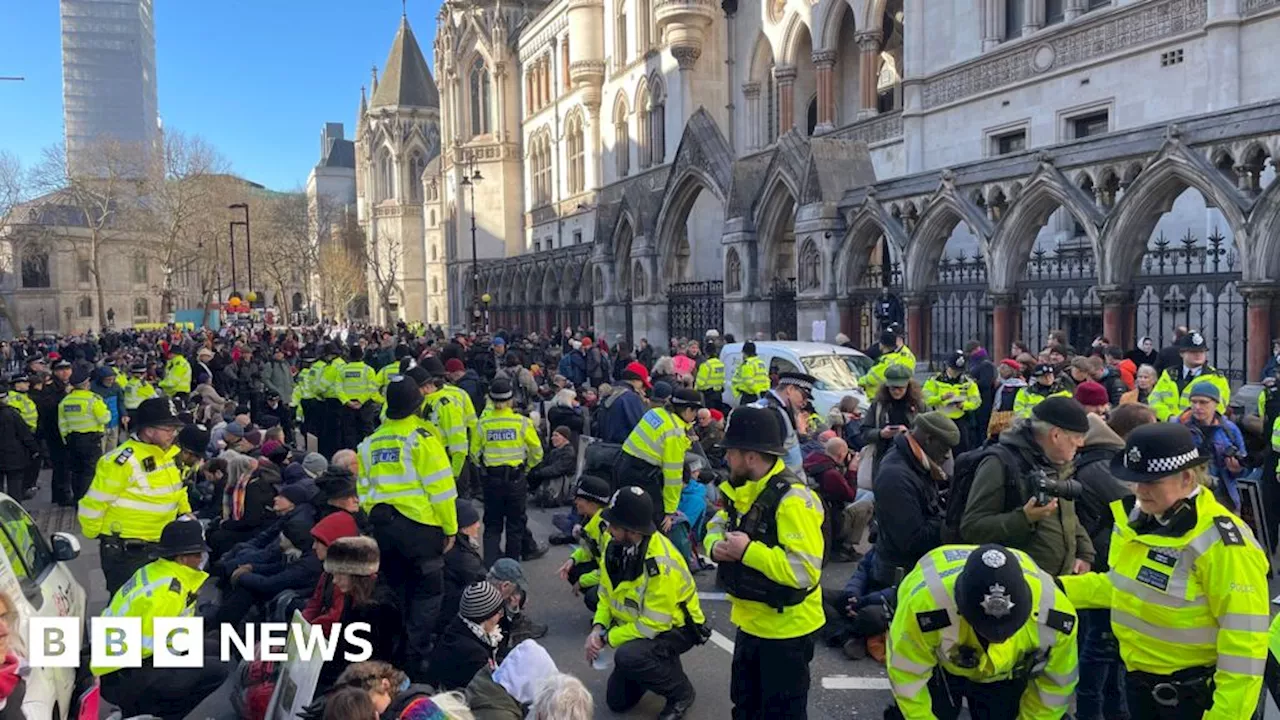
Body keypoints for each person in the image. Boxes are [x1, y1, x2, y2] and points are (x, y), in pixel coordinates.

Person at [1060, 423, 1268, 720]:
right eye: (1134, 480)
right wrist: (1055, 589)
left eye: (1150, 481)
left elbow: (1245, 645)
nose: (1138, 490)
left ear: (1186, 478)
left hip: (1196, 699)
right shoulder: (1139, 518)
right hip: (1140, 686)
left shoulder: (1222, 541)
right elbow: (1123, 586)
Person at [704, 406, 824, 719]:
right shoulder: (742, 487)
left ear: (751, 456)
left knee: (782, 714)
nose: (726, 458)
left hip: (786, 632)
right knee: (745, 708)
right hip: (751, 622)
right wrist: (714, 546)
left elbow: (803, 571)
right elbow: (719, 521)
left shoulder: (793, 500)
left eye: (730, 452)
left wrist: (747, 552)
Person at [885, 544, 1079, 720]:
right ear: (960, 607)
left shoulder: (1057, 617)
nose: (999, 640)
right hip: (941, 666)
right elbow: (907, 677)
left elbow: (1054, 689)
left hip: (1006, 674)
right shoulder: (924, 609)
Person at [357, 374, 458, 678]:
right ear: (418, 404)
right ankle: (414, 668)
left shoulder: (370, 442)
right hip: (421, 532)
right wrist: (450, 528)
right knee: (427, 598)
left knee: (398, 595)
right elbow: (441, 491)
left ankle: (393, 664)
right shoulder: (422, 438)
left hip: (385, 532)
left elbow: (363, 490)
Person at [586, 486, 703, 720]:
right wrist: (598, 627)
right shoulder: (615, 545)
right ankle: (656, 664)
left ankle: (681, 693)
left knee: (629, 657)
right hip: (641, 625)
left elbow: (652, 625)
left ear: (631, 530)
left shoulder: (660, 564)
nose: (608, 531)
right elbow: (606, 594)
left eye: (614, 526)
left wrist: (607, 638)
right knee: (617, 702)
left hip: (677, 629)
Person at [93, 520, 229, 720]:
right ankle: (155, 714)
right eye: (197, 554)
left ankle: (142, 709)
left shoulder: (155, 570)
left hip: (122, 661)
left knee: (215, 646)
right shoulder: (168, 593)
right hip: (127, 672)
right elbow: (154, 645)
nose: (201, 558)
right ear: (182, 558)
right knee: (217, 671)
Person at [960, 396, 1094, 577]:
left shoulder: (1058, 462)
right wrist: (1024, 518)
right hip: (1020, 584)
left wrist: (1084, 553)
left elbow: (1067, 514)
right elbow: (972, 528)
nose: (1081, 443)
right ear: (1055, 435)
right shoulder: (1000, 463)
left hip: (1061, 582)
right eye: (1077, 437)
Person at [79, 397, 192, 595]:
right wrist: (101, 535)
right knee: (126, 606)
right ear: (148, 430)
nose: (173, 434)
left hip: (159, 544)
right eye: (168, 429)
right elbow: (94, 503)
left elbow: (177, 489)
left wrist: (186, 513)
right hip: (128, 551)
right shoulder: (121, 461)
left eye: (176, 429)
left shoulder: (167, 455)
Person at [872, 412, 958, 586]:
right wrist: (953, 522)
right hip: (899, 575)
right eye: (945, 447)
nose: (948, 455)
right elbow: (910, 539)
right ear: (928, 439)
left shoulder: (916, 463)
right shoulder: (896, 476)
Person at [471, 378, 544, 565]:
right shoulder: (522, 423)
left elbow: (473, 453)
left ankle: (489, 567)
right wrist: (526, 468)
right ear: (511, 400)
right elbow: (537, 451)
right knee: (515, 525)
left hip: (492, 481)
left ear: (491, 400)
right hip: (515, 479)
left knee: (492, 525)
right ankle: (511, 570)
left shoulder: (483, 424)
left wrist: (485, 467)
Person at [617, 388, 701, 531]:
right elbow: (673, 475)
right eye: (695, 412)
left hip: (623, 463)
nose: (695, 416)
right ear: (687, 410)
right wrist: (669, 511)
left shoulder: (655, 413)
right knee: (654, 523)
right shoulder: (675, 433)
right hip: (643, 474)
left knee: (626, 516)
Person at [1178, 382, 1248, 512]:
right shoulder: (1179, 427)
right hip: (1188, 497)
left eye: (1203, 402)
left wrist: (1236, 469)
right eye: (1193, 402)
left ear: (1216, 403)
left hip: (1223, 496)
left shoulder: (1229, 429)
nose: (1197, 407)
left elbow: (1243, 464)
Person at [802, 436, 872, 563]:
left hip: (817, 516)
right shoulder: (831, 474)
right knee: (866, 505)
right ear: (841, 456)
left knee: (863, 494)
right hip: (834, 522)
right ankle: (845, 548)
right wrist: (852, 471)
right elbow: (850, 496)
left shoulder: (812, 461)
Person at [429, 581, 506, 690]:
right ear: (484, 616)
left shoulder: (460, 629)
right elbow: (488, 691)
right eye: (498, 611)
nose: (501, 615)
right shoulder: (473, 654)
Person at [856, 364, 922, 480]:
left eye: (900, 388)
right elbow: (864, 432)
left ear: (908, 387)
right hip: (884, 458)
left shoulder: (918, 406)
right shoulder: (878, 405)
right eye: (893, 388)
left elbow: (927, 433)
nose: (896, 392)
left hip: (912, 459)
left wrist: (908, 433)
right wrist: (880, 434)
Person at [556, 475, 612, 611]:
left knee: (592, 598)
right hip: (605, 570)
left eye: (580, 499)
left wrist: (582, 581)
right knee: (573, 569)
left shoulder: (607, 529)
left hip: (614, 576)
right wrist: (573, 559)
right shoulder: (593, 519)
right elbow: (590, 550)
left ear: (593, 504)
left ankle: (611, 615)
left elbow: (610, 570)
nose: (575, 502)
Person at [1150, 331, 1231, 422]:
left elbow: (1219, 405)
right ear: (1182, 353)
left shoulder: (1215, 377)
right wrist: (1169, 417)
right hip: (1169, 427)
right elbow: (1154, 400)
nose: (1198, 355)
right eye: (1193, 351)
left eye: (1201, 351)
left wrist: (1190, 420)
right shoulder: (1169, 374)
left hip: (1200, 428)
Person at [59, 364, 111, 501]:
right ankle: (89, 499)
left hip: (72, 439)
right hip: (91, 440)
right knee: (91, 471)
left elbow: (62, 424)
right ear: (86, 384)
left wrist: (67, 439)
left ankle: (77, 499)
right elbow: (104, 418)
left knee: (76, 471)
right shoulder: (93, 399)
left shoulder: (65, 401)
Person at [751, 372, 817, 476]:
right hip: (782, 482)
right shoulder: (774, 414)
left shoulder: (774, 409)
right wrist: (803, 436)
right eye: (803, 396)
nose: (804, 403)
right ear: (790, 389)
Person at [922, 350, 981, 453]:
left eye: (958, 371)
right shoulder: (935, 380)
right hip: (940, 420)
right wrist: (941, 398)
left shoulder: (968, 382)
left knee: (961, 450)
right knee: (938, 450)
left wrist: (964, 405)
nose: (956, 374)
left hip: (960, 421)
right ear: (947, 366)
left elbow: (976, 401)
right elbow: (925, 398)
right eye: (954, 370)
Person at [0, 381, 39, 501]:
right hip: (13, 456)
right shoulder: (12, 414)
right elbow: (24, 434)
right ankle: (15, 515)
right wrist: (35, 450)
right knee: (15, 487)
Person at [599, 361, 650, 444]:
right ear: (635, 380)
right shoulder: (631, 398)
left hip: (605, 447)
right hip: (622, 448)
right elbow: (641, 428)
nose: (643, 388)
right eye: (643, 384)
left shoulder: (610, 393)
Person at [860, 329, 916, 398]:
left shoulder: (886, 360)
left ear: (883, 344)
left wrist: (858, 382)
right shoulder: (898, 356)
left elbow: (871, 378)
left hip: (876, 397)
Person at [694, 344, 726, 412]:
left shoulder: (705, 365)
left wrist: (695, 390)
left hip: (708, 395)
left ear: (706, 353)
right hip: (719, 394)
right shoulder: (720, 364)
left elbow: (700, 383)